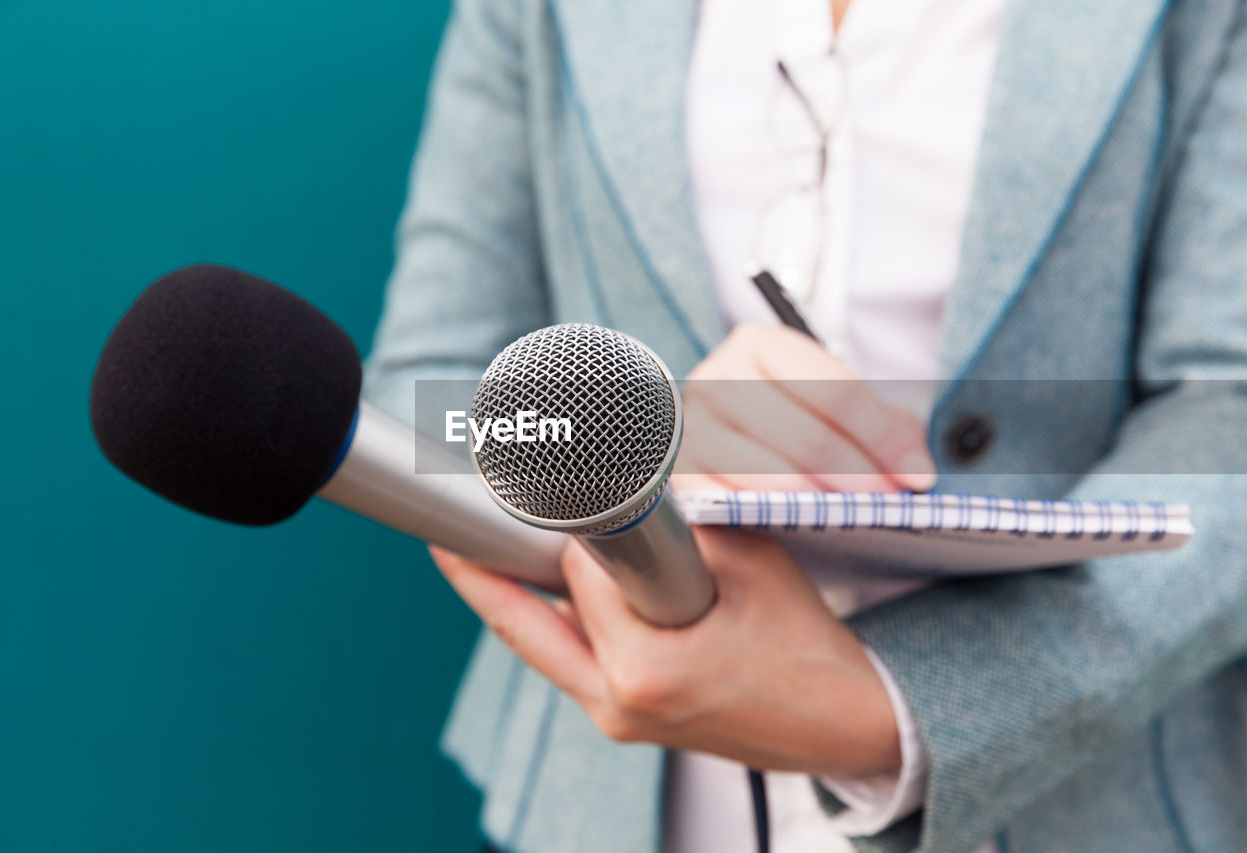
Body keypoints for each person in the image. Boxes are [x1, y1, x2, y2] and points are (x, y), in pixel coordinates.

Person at [364, 0, 1247, 850]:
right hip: (599, 803)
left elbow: (1227, 401)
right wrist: (633, 438)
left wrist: (901, 707)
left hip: (1086, 793)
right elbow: (428, 384)